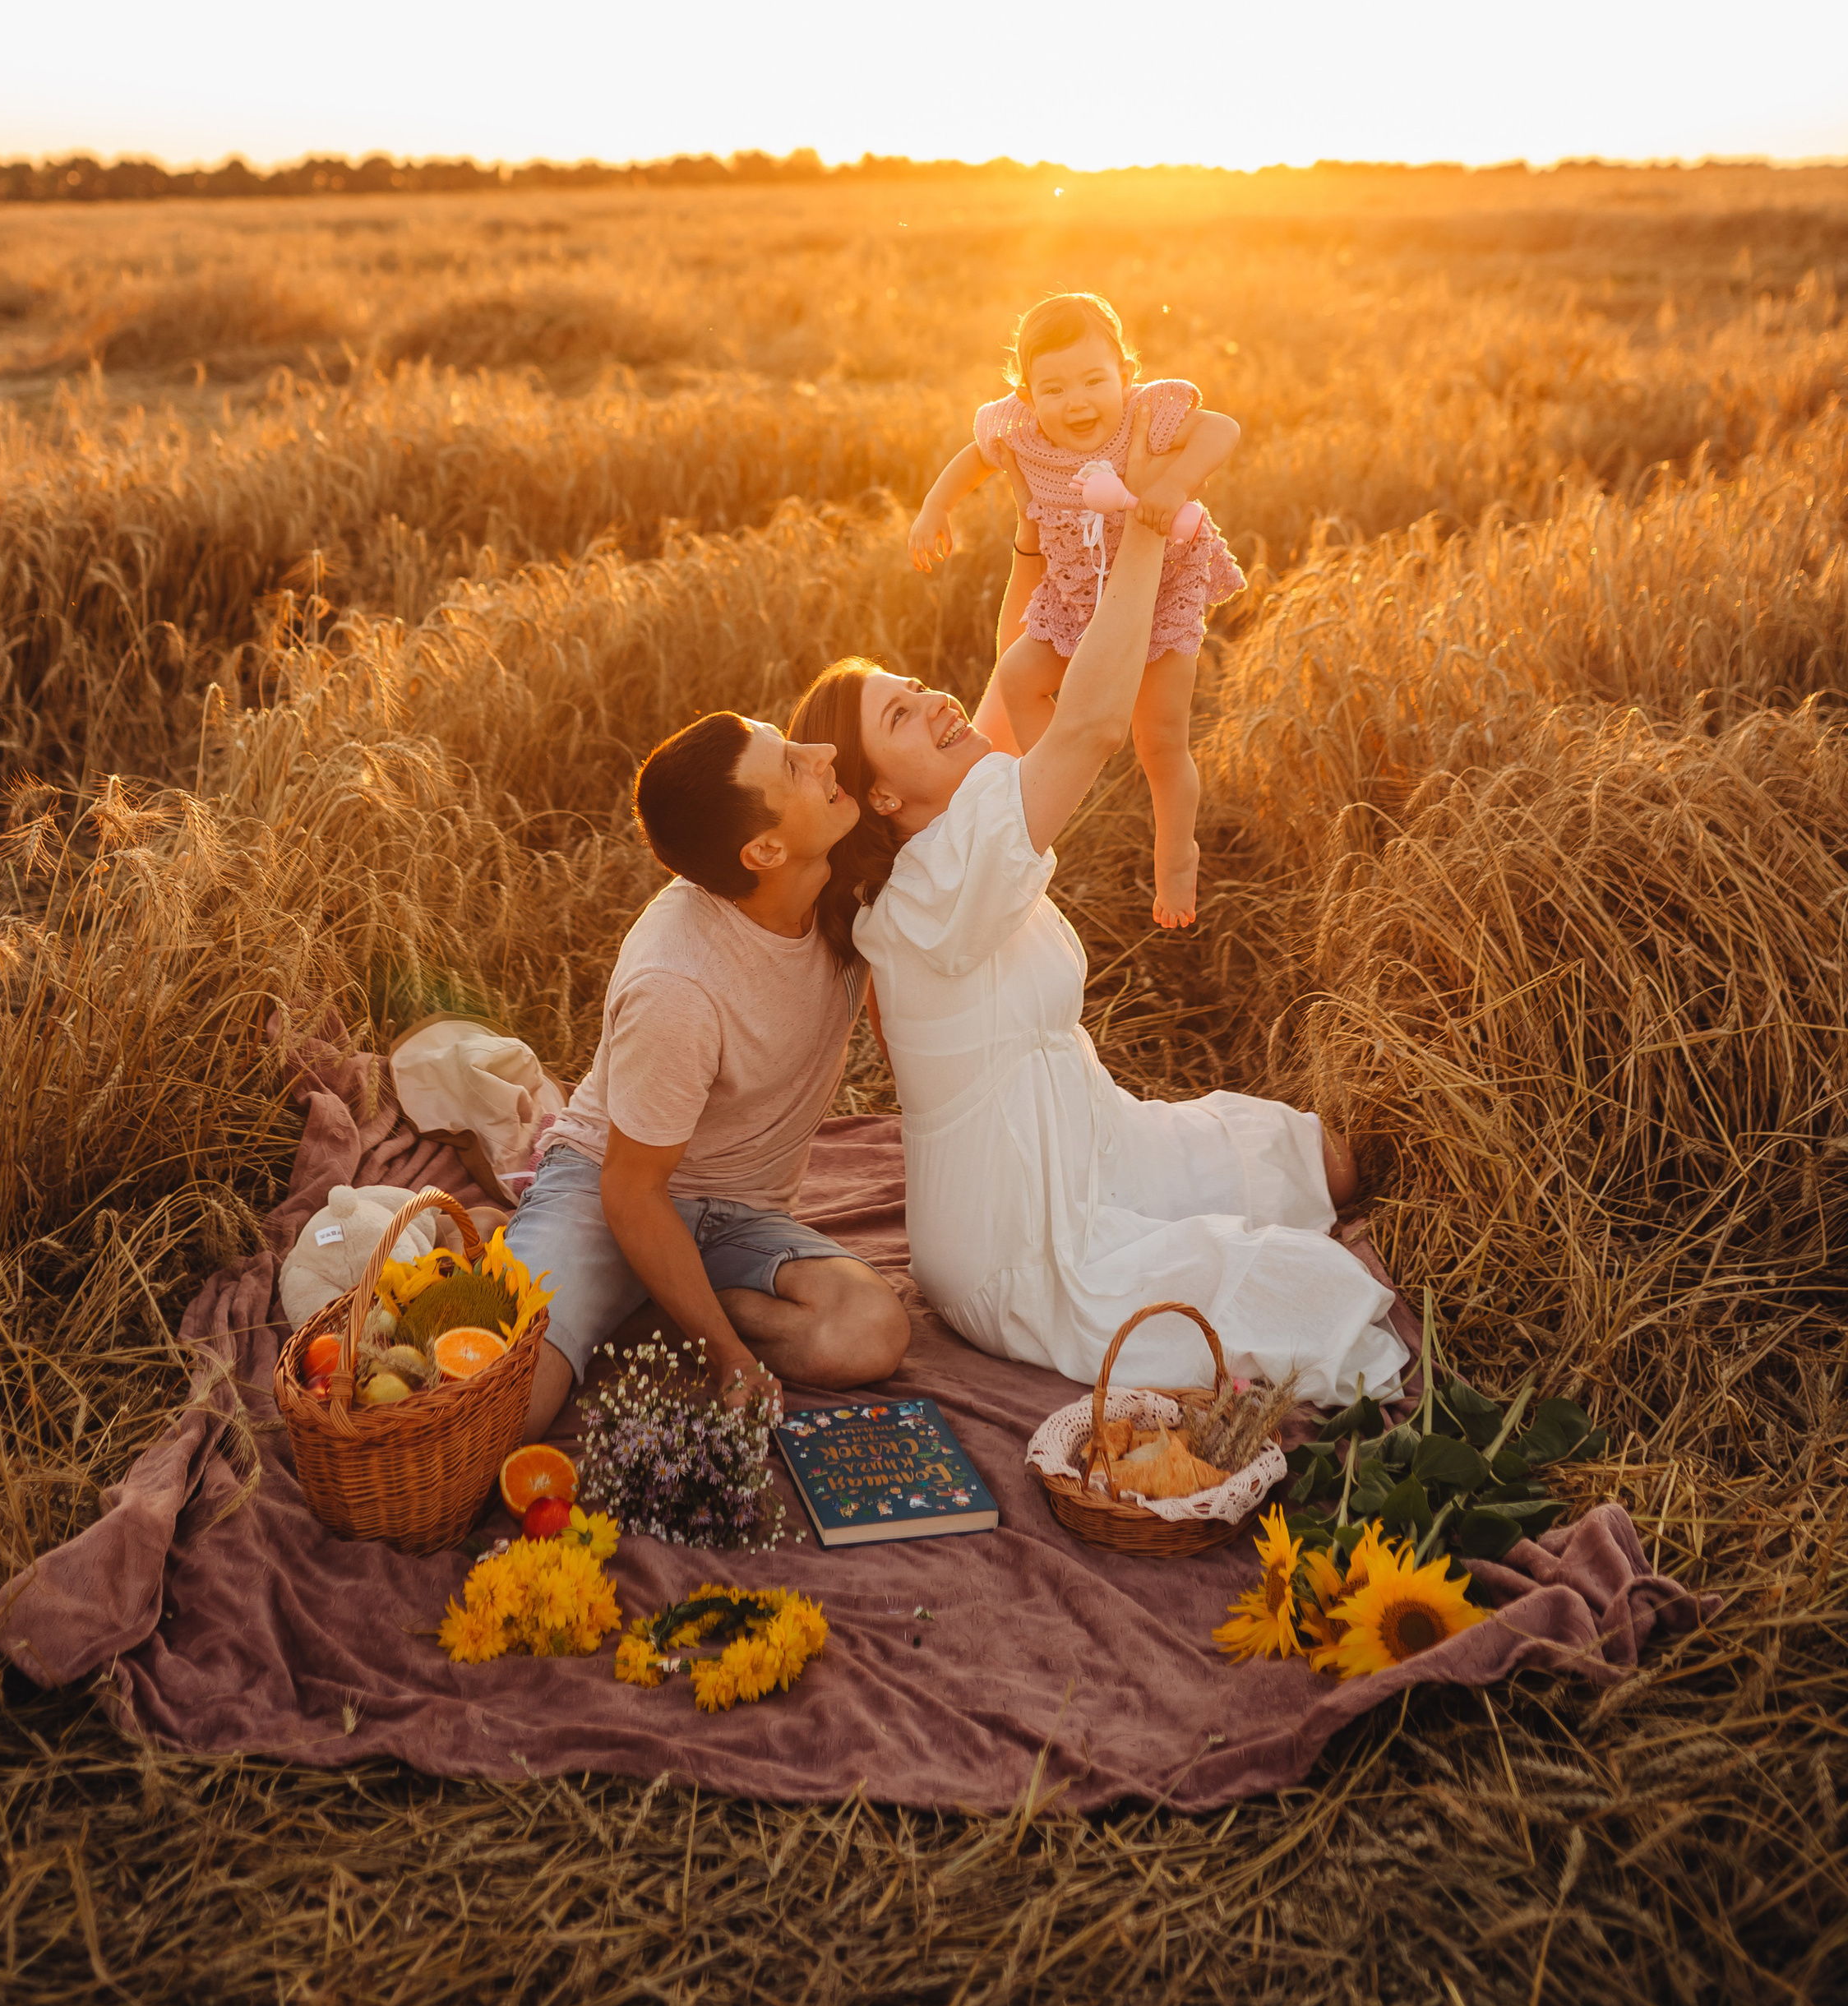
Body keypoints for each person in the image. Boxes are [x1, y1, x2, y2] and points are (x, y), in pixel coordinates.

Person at [788, 494, 1406, 1410]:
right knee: (1318, 1292)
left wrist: (1036, 513)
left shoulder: (960, 817)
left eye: (913, 687)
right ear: (879, 797)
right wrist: (1151, 521)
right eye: (899, 717)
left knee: (1318, 1158)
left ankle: (1222, 1209)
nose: (932, 702)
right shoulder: (929, 893)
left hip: (1098, 1140)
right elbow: (1087, 724)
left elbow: (1015, 667)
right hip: (1022, 1239)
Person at [506, 711, 911, 1436]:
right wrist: (729, 1354)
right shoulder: (678, 984)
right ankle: (604, 1291)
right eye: (790, 763)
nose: (820, 754)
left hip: (744, 1217)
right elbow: (632, 1191)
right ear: (763, 849)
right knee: (503, 1406)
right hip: (611, 1192)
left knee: (869, 1332)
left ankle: (643, 1306)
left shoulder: (846, 891)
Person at [908, 289, 1245, 927]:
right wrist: (935, 508)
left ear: (1126, 376)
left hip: (1159, 593)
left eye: (1095, 379)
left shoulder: (1148, 417)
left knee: (1163, 740)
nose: (1078, 401)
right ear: (1028, 397)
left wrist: (1174, 483)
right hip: (1073, 595)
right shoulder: (1022, 433)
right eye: (1055, 388)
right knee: (1016, 676)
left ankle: (1177, 856)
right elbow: (972, 459)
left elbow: (1222, 429)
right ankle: (1053, 780)